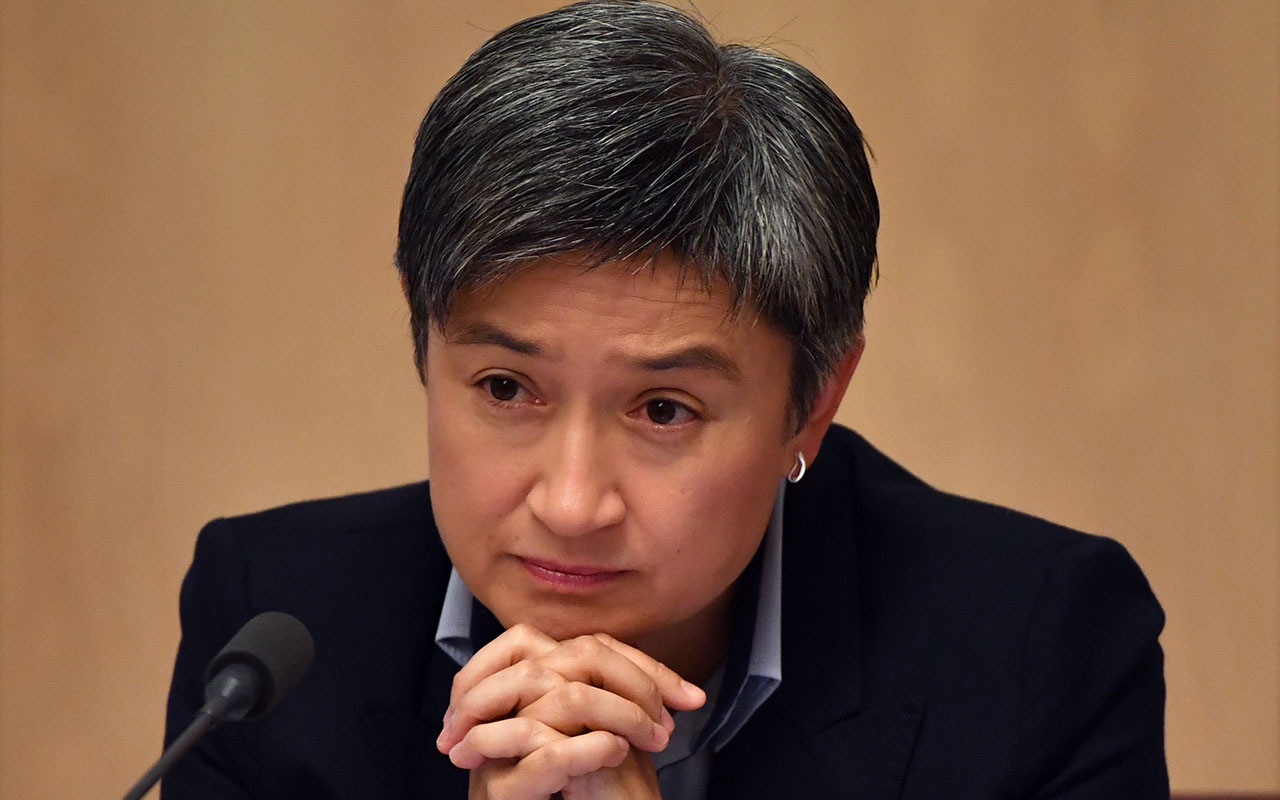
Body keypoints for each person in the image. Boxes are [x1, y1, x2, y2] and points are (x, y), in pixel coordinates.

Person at [162, 1, 1169, 798]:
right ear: (424, 341)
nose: (569, 501)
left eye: (662, 410)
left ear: (811, 403)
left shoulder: (1037, 647)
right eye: (506, 386)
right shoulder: (270, 634)